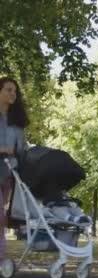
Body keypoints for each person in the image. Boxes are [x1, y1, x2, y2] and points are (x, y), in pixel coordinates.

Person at [0, 77, 28, 262]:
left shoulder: (16, 123)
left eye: (15, 91)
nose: (13, 94)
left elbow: (22, 148)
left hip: (8, 173)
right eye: (9, 90)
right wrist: (3, 150)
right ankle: (1, 258)